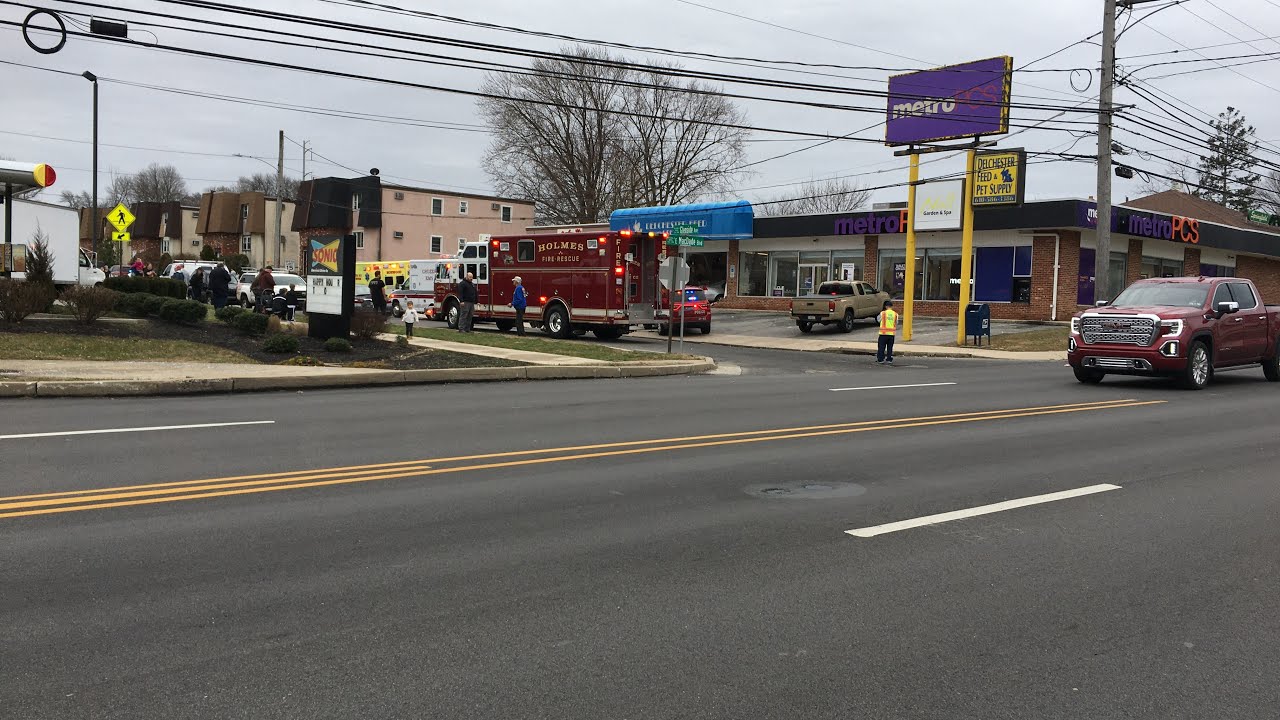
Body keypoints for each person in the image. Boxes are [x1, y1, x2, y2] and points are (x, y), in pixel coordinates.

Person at [876, 299, 898, 365]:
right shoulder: (895, 314)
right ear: (892, 306)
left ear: (886, 306)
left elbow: (878, 320)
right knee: (890, 347)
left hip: (883, 334)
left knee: (881, 347)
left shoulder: (883, 313)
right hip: (891, 334)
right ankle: (889, 359)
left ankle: (881, 359)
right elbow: (896, 323)